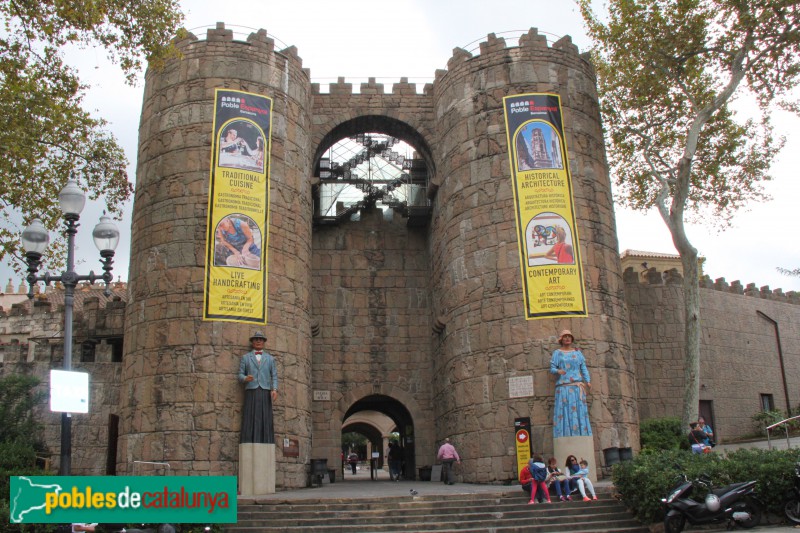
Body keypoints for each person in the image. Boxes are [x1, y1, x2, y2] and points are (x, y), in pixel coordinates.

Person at [237, 331, 278, 444]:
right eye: (256, 339)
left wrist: (274, 389)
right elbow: (240, 375)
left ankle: (266, 440)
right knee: (250, 416)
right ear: (252, 342)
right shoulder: (245, 358)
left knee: (265, 417)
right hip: (251, 391)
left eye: (261, 339)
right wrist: (245, 378)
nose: (258, 341)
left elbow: (274, 375)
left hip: (265, 391)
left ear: (264, 342)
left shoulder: (270, 359)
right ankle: (248, 440)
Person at [550, 330, 592, 437]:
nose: (567, 338)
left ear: (572, 339)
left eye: (569, 336)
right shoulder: (557, 353)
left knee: (579, 413)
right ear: (561, 339)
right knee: (564, 412)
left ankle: (581, 436)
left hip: (577, 388)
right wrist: (558, 371)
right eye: (565, 336)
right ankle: (565, 437)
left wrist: (587, 380)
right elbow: (552, 368)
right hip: (564, 388)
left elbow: (583, 368)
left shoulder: (577, 353)